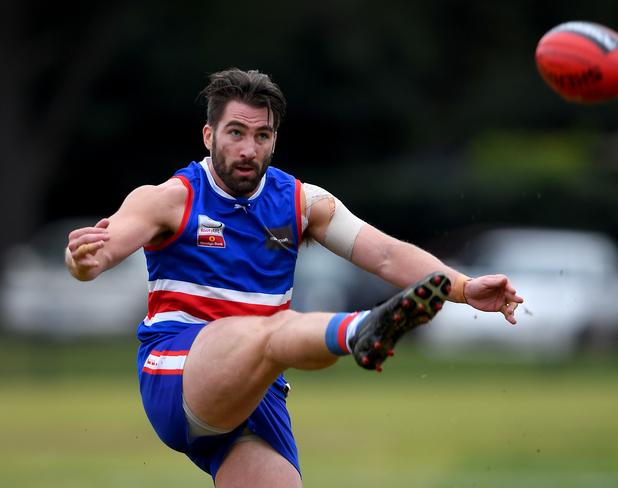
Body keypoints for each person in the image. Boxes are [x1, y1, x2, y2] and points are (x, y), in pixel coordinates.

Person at [65, 68, 524, 487]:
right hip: (177, 370)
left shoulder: (301, 202)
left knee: (271, 341)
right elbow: (101, 252)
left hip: (257, 391)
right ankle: (362, 330)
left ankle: (360, 330)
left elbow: (384, 254)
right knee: (274, 329)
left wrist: (463, 288)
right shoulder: (169, 199)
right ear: (208, 136)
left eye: (262, 135)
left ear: (275, 140)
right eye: (236, 133)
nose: (249, 149)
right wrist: (85, 262)